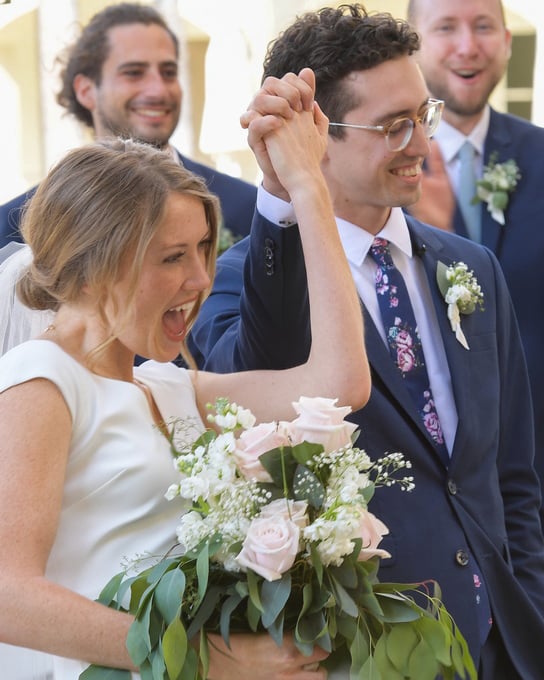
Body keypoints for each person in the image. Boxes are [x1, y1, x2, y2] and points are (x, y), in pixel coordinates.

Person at [187, 4, 544, 678]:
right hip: (364, 650)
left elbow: (512, 478)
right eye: (393, 127)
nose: (421, 144)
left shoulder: (471, 267)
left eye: (423, 115)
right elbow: (249, 386)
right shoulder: (244, 280)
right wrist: (282, 191)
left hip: (503, 645)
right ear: (316, 134)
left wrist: (527, 614)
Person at [0, 71, 370, 679]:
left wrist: (307, 185)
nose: (201, 281)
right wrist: (205, 659)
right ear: (92, 268)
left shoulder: (168, 391)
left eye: (203, 250)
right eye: (173, 257)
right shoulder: (40, 383)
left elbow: (340, 384)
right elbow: (9, 596)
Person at [405, 0, 544, 524]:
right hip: (427, 485)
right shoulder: (374, 168)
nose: (468, 46)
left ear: (507, 40)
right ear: (412, 45)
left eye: (483, 27)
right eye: (446, 28)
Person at [0, 2, 256, 250]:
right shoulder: (13, 227)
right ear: (86, 90)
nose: (158, 89)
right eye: (134, 72)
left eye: (168, 72)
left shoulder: (246, 209)